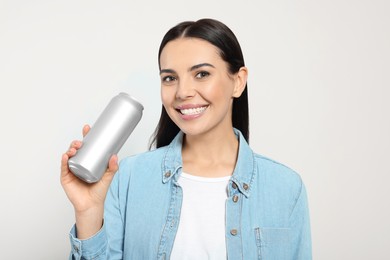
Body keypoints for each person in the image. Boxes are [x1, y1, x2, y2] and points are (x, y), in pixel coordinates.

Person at [61, 18, 312, 260]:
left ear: (238, 81)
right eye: (170, 78)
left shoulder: (286, 188)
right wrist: (89, 213)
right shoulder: (128, 177)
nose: (182, 92)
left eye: (201, 74)